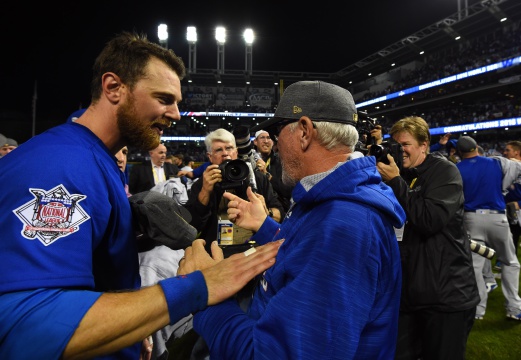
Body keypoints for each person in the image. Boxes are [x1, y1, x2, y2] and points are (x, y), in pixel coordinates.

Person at [0, 31, 282, 359]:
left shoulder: (97, 158)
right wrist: (200, 287)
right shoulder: (58, 166)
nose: (177, 114)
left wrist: (131, 327)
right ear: (113, 88)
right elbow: (27, 324)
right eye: (164, 98)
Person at [192, 81, 407, 359]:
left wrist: (205, 293)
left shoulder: (344, 223)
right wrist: (266, 227)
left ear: (304, 131)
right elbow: (304, 253)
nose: (275, 143)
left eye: (277, 130)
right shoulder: (332, 196)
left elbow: (278, 354)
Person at [375, 116, 479, 359]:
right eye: (395, 144)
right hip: (409, 293)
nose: (399, 151)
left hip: (446, 296)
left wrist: (396, 182)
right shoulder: (399, 174)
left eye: (405, 145)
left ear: (424, 145)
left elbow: (430, 220)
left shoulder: (444, 171)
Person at [185, 128, 284, 249]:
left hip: (253, 248)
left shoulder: (256, 178)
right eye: (218, 150)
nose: (225, 153)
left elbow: (280, 213)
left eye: (229, 148)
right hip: (216, 251)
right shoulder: (202, 184)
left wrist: (266, 213)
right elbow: (191, 225)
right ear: (210, 157)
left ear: (236, 152)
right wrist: (205, 191)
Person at [456, 136, 521, 321]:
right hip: (496, 218)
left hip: (471, 219)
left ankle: (478, 310)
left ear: (460, 153)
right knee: (510, 262)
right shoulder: (496, 162)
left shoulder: (456, 168)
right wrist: (505, 187)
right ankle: (514, 308)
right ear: (477, 147)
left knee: (475, 267)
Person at [253, 129, 294, 213]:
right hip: (255, 209)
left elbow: (287, 190)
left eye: (268, 138)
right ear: (255, 142)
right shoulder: (249, 161)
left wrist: (267, 175)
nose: (266, 141)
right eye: (262, 138)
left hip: (278, 211)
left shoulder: (281, 161)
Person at [503, 140, 521, 254]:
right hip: (507, 208)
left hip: (518, 207)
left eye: (508, 150)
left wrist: (519, 204)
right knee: (509, 237)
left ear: (516, 152)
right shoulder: (506, 167)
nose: (504, 152)